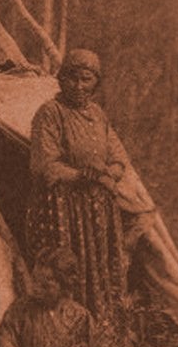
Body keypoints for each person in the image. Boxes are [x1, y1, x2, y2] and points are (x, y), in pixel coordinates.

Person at [25, 47, 155, 317]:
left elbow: (119, 159)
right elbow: (45, 166)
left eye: (87, 79)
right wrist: (82, 176)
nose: (79, 86)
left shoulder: (98, 115)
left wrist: (107, 174)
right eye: (73, 78)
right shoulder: (50, 113)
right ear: (62, 79)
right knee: (66, 272)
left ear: (96, 82)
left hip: (97, 212)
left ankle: (99, 329)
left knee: (101, 268)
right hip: (63, 211)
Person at [0, 248, 93, 347]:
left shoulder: (80, 317)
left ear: (63, 286)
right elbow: (5, 344)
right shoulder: (19, 311)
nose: (36, 289)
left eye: (45, 286)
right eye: (34, 281)